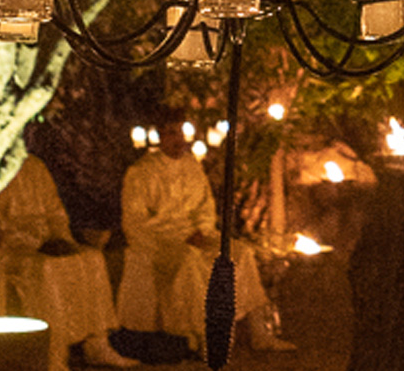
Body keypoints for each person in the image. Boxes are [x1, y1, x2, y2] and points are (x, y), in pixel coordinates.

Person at [115, 108, 294, 353]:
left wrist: (201, 230)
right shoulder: (141, 172)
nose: (177, 140)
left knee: (240, 252)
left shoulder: (191, 166)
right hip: (161, 244)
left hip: (197, 235)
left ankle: (259, 332)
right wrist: (176, 237)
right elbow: (136, 222)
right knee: (190, 262)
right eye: (170, 133)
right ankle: (205, 336)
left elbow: (205, 206)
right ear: (159, 136)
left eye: (180, 132)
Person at [0, 152, 139, 371]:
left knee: (92, 259)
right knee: (47, 270)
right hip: (7, 251)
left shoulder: (35, 165)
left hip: (46, 241)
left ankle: (97, 342)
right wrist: (32, 242)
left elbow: (55, 211)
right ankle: (52, 352)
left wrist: (59, 239)